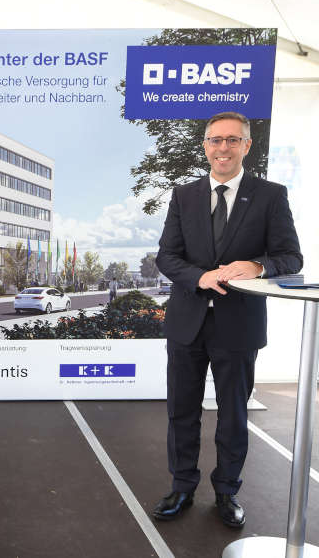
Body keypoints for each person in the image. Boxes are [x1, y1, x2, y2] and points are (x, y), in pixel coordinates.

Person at [152, 112, 302, 528]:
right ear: (205, 146)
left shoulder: (271, 195)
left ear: (246, 146)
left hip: (239, 325)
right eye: (216, 140)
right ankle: (182, 486)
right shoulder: (184, 196)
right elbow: (167, 256)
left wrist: (257, 265)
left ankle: (227, 491)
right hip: (187, 321)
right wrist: (198, 277)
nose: (223, 148)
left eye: (232, 140)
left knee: (233, 413)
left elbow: (291, 257)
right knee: (182, 410)